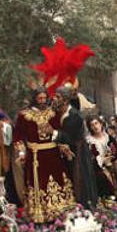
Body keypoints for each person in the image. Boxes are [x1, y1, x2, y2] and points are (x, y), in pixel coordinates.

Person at [13, 89, 76, 223]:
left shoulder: (53, 113)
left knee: (59, 180)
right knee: (38, 183)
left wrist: (63, 146)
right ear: (34, 99)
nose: (42, 101)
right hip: (35, 156)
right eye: (39, 98)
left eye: (44, 98)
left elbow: (59, 131)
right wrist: (22, 152)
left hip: (53, 154)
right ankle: (40, 213)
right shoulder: (24, 115)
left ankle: (61, 209)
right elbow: (18, 136)